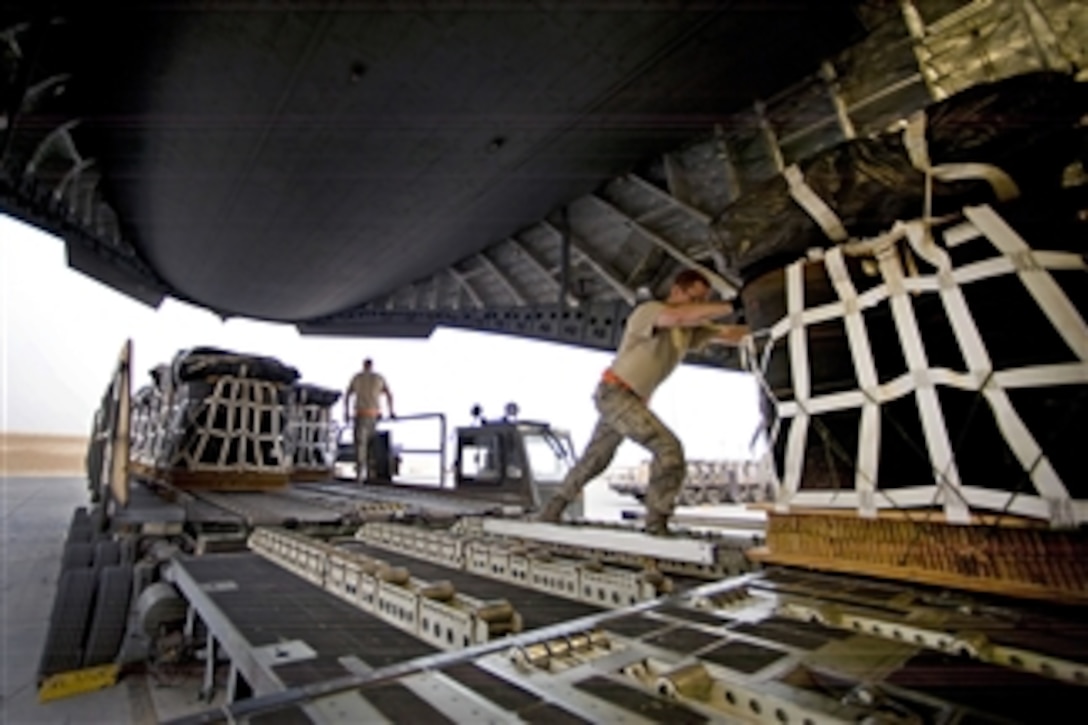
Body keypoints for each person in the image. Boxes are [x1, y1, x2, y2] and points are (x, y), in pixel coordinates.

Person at [538, 269, 749, 535]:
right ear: (676, 291)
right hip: (615, 393)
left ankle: (551, 510)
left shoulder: (687, 331)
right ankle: (656, 521)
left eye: (703, 300)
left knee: (595, 459)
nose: (699, 306)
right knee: (668, 449)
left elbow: (728, 332)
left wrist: (766, 321)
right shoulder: (650, 311)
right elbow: (677, 316)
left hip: (630, 399)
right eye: (695, 298)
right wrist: (732, 304)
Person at [343, 358, 395, 482]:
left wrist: (345, 413)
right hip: (374, 415)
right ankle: (371, 472)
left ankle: (360, 473)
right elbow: (389, 394)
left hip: (360, 414)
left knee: (360, 444)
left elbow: (347, 395)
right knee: (372, 444)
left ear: (363, 366)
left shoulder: (357, 378)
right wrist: (391, 411)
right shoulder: (379, 378)